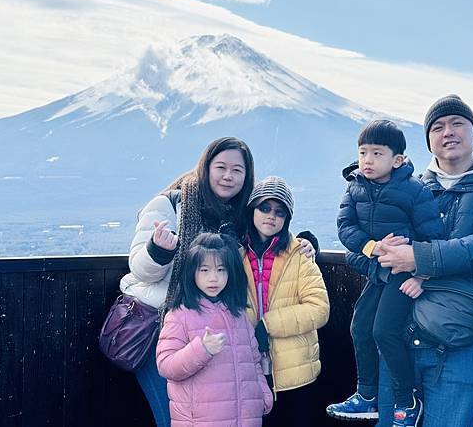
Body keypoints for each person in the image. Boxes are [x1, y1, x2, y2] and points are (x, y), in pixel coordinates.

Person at [119, 137, 315, 426]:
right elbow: (141, 270)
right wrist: (159, 249)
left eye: (237, 170)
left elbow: (271, 241)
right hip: (161, 329)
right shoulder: (170, 204)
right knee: (173, 417)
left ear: (247, 176)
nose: (228, 176)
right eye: (220, 167)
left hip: (217, 330)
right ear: (205, 167)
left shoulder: (243, 214)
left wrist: (306, 244)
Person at [374, 95, 473, 427]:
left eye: (458, 123)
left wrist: (417, 257)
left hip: (456, 343)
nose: (448, 132)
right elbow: (364, 240)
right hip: (397, 341)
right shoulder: (408, 187)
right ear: (428, 141)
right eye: (438, 126)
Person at [326, 120, 444, 427]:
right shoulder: (354, 187)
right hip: (377, 271)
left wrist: (422, 276)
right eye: (363, 152)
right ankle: (368, 397)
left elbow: (434, 237)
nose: (367, 159)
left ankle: (406, 402)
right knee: (360, 326)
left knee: (384, 332)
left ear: (397, 160)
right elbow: (345, 227)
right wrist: (371, 247)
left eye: (377, 153)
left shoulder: (414, 191)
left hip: (403, 274)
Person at [156, 232, 273, 426]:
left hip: (245, 418)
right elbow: (166, 365)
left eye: (221, 270)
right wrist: (202, 349)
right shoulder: (180, 315)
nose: (214, 278)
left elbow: (253, 360)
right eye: (204, 270)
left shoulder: (238, 314)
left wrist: (262, 394)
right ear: (192, 272)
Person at [242, 176, 330, 427]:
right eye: (264, 208)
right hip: (250, 365)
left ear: (287, 218)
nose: (271, 216)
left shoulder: (300, 254)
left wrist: (267, 325)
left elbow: (319, 308)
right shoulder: (234, 255)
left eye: (280, 212)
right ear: (252, 210)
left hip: (295, 370)